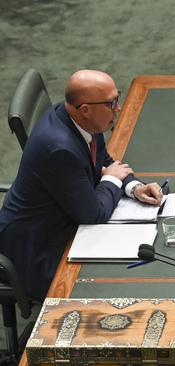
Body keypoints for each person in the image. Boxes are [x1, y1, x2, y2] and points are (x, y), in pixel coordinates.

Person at [0, 70, 163, 300]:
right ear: (85, 109)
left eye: (117, 98)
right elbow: (92, 212)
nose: (117, 108)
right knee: (116, 286)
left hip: (64, 217)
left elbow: (103, 161)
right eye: (111, 103)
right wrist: (113, 179)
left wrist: (132, 187)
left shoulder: (81, 120)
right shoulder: (60, 149)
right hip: (39, 248)